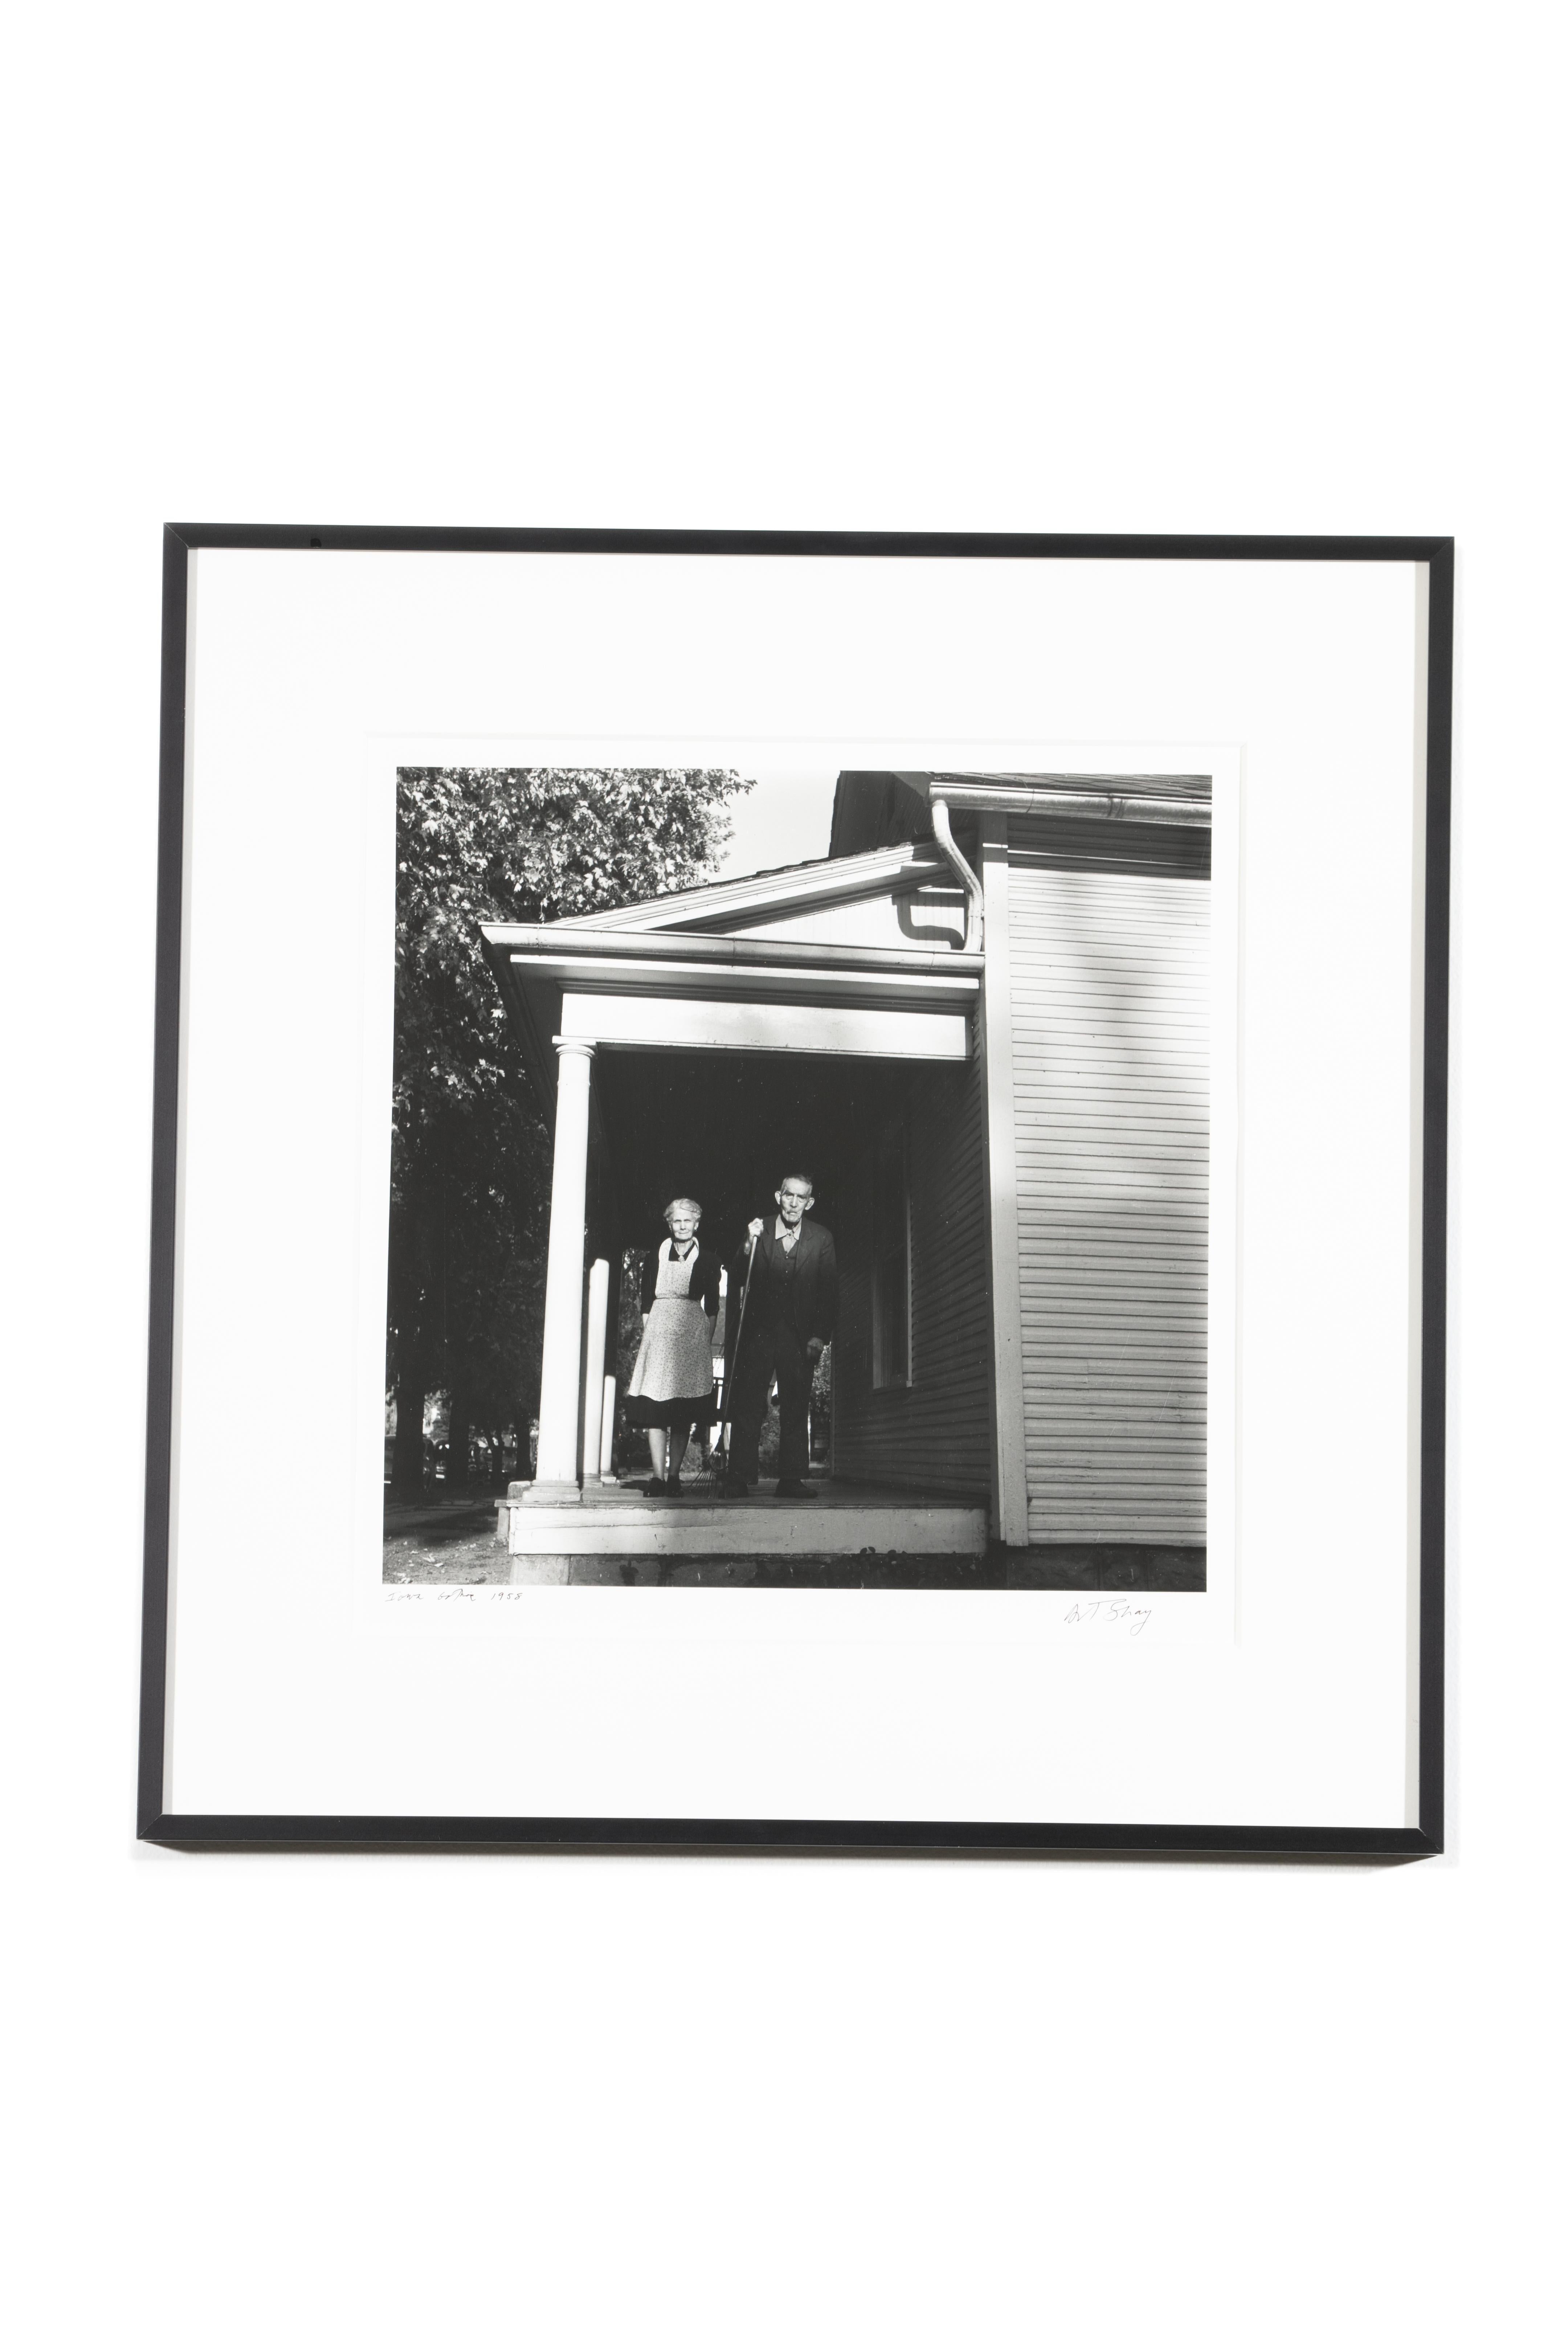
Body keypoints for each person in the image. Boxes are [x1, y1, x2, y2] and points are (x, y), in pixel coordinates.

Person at [723, 1171, 837, 1500]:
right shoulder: (759, 1231)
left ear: (809, 1203)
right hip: (759, 1333)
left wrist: (820, 1336)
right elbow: (736, 1275)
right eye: (789, 1195)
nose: (794, 1203)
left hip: (800, 1337)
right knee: (748, 1403)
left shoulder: (821, 1239)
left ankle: (791, 1479)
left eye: (801, 1198)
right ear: (779, 1196)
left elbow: (829, 1292)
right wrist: (747, 1243)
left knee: (795, 1405)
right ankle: (739, 1477)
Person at [623, 1197, 723, 1495]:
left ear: (697, 1224)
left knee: (682, 1411)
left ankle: (675, 1477)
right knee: (657, 1408)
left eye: (688, 1221)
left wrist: (704, 1339)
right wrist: (652, 1331)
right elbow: (645, 1299)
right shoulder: (655, 1255)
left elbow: (714, 1307)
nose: (682, 1226)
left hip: (691, 1335)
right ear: (670, 1224)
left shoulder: (709, 1259)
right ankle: (657, 1476)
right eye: (677, 1221)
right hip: (659, 1334)